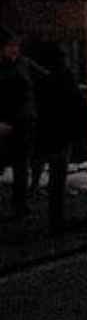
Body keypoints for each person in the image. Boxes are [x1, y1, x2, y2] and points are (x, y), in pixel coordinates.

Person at [26, 41, 87, 232]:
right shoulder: (64, 77)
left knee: (52, 174)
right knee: (58, 177)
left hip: (46, 131)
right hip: (62, 132)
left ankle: (53, 215)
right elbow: (76, 103)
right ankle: (56, 219)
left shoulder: (39, 79)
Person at [0, 28, 37, 218]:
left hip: (24, 122)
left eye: (16, 46)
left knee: (21, 166)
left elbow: (44, 80)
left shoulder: (24, 64)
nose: (14, 49)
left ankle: (20, 204)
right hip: (5, 124)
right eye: (10, 46)